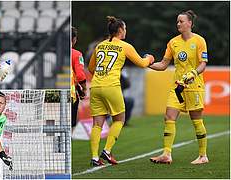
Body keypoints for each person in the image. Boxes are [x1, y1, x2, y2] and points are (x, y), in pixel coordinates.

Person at [88, 16, 154, 166]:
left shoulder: (99, 46)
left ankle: (94, 157)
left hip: (96, 86)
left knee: (97, 124)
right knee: (119, 120)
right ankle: (107, 150)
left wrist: (101, 76)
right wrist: (149, 58)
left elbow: (91, 68)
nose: (126, 31)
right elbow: (142, 63)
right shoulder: (125, 46)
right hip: (111, 86)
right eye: (125, 28)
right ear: (120, 30)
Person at [149, 10, 209, 165]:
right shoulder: (173, 42)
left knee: (196, 120)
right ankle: (166, 154)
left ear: (190, 23)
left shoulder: (200, 41)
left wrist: (193, 73)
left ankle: (203, 156)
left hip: (194, 87)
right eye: (177, 21)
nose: (178, 24)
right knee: (169, 117)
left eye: (181, 21)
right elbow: (163, 65)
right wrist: (146, 63)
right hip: (177, 88)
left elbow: (203, 64)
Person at [71, 26, 87, 132]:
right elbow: (80, 75)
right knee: (70, 125)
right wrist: (84, 89)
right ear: (74, 39)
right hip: (71, 94)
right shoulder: (77, 54)